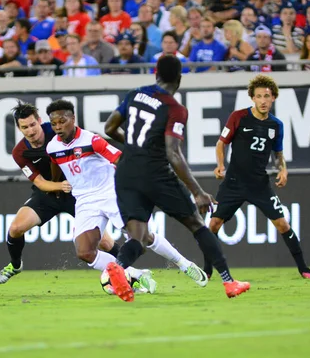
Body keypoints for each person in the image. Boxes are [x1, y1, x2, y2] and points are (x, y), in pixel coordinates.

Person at [103, 55, 251, 302]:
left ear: (155, 73)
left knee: (137, 236)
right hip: (156, 174)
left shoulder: (135, 94)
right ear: (179, 79)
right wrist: (197, 191)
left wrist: (134, 148)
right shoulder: (175, 109)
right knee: (196, 224)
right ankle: (229, 282)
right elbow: (172, 152)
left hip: (126, 173)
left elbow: (109, 128)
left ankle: (118, 266)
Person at [46, 99, 208, 295]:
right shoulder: (52, 147)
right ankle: (136, 274)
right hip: (85, 201)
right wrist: (54, 186)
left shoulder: (92, 140)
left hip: (110, 193)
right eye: (54, 123)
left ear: (73, 119)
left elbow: (119, 158)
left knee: (143, 236)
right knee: (85, 252)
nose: (58, 127)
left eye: (62, 121)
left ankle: (184, 264)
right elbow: (55, 163)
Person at [204, 74, 310, 281]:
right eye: (259, 96)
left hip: (259, 184)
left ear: (273, 98)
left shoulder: (276, 125)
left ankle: (304, 268)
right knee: (213, 225)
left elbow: (278, 154)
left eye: (267, 96)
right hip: (234, 183)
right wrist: (220, 165)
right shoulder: (238, 117)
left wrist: (282, 169)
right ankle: (207, 269)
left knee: (283, 225)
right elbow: (221, 143)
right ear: (252, 98)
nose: (263, 100)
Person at [0, 102, 115, 284]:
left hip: (77, 194)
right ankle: (15, 264)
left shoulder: (58, 132)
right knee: (16, 228)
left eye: (33, 125)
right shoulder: (19, 152)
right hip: (49, 193)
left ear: (40, 122)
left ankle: (129, 271)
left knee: (104, 242)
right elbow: (40, 183)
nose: (31, 131)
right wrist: (60, 186)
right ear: (19, 129)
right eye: (24, 127)